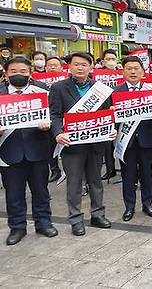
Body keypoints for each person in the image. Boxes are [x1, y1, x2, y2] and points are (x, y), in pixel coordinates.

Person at [49, 52, 114, 236]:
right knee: (74, 184)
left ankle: (98, 214)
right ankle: (76, 219)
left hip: (95, 144)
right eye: (76, 64)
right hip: (71, 145)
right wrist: (58, 133)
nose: (80, 67)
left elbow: (107, 114)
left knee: (96, 182)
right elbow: (54, 115)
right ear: (69, 66)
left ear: (91, 67)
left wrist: (111, 129)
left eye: (84, 64)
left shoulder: (101, 89)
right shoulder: (58, 88)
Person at [0, 57, 57, 245]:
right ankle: (17, 227)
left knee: (41, 191)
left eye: (23, 71)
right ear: (6, 74)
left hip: (37, 149)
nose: (18, 75)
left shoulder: (42, 92)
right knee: (14, 193)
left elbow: (54, 116)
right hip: (9, 152)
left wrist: (47, 126)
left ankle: (44, 223)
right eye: (14, 71)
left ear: (30, 73)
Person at [114, 56, 152, 222]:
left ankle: (148, 204)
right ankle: (129, 207)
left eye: (136, 68)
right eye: (129, 68)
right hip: (126, 142)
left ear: (143, 71)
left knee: (147, 173)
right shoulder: (116, 93)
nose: (133, 72)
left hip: (146, 140)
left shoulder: (151, 91)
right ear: (123, 71)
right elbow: (111, 120)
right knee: (128, 175)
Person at [100, 49, 120, 182]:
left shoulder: (122, 73)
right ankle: (110, 168)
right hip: (105, 111)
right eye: (108, 59)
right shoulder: (97, 75)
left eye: (113, 59)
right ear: (103, 61)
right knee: (108, 142)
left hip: (121, 110)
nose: (111, 62)